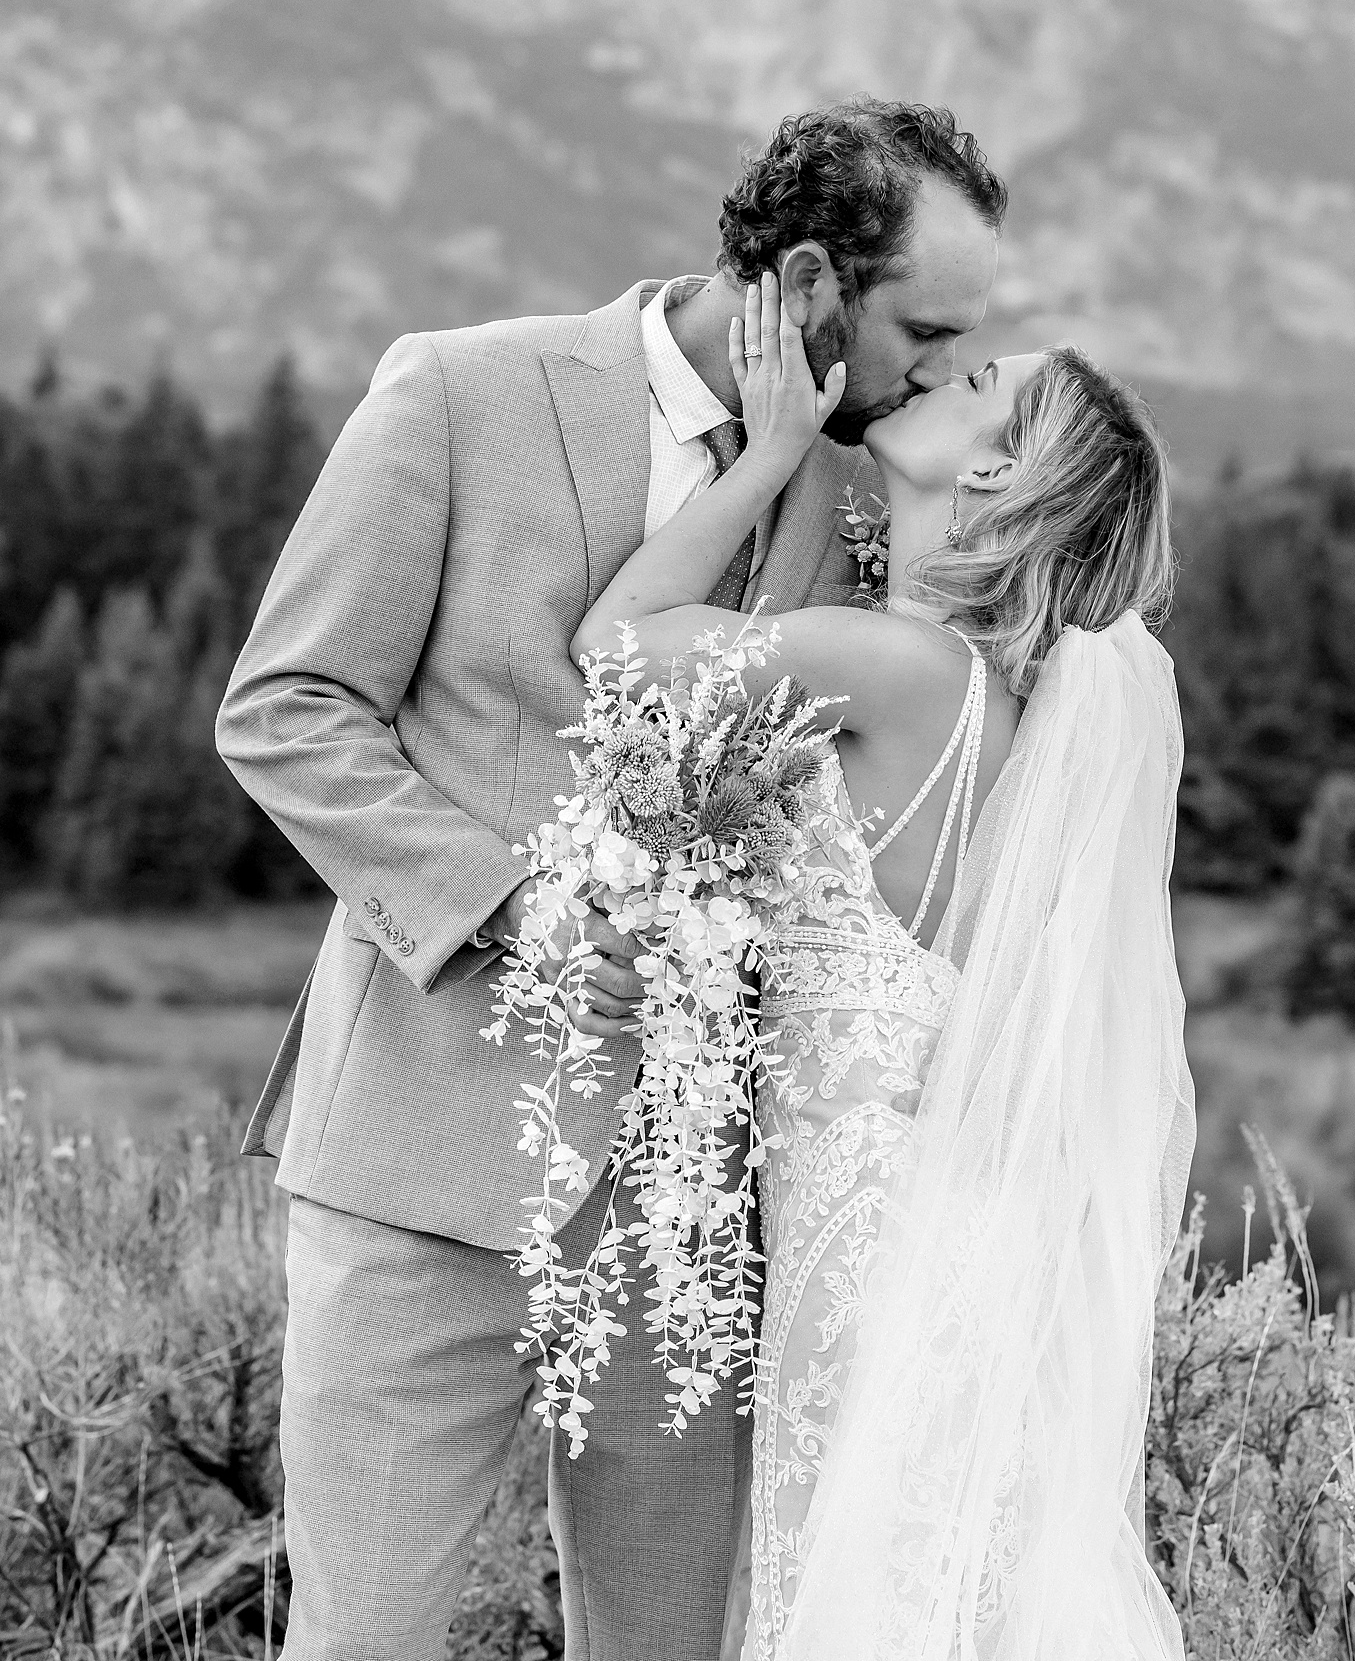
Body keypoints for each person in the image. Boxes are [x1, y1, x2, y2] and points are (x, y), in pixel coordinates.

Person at [214, 100, 1008, 1661]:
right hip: (418, 1169)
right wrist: (516, 907)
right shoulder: (459, 392)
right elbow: (286, 710)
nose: (936, 368)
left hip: (693, 1207)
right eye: (925, 326)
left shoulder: (859, 501)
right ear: (805, 279)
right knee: (359, 1642)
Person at [576, 275, 1196, 1661]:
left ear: (997, 473)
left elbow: (617, 653)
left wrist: (779, 451)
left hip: (871, 1246)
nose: (941, 374)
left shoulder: (899, 666)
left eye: (983, 388)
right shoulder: (1012, 701)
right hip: (938, 1229)